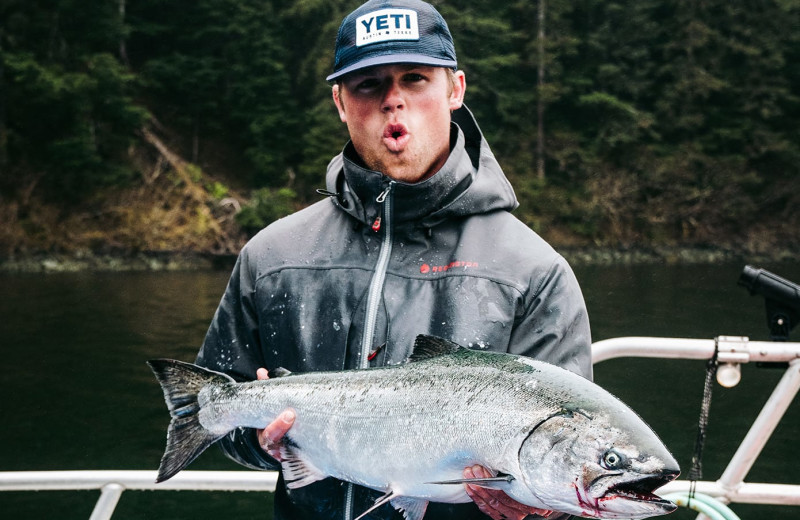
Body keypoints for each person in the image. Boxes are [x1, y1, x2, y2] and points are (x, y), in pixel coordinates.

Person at [196, 0, 592, 518]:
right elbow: (211, 414)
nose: (393, 101)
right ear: (340, 101)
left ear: (455, 90)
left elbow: (572, 459)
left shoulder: (534, 274)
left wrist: (541, 508)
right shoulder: (270, 257)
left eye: (414, 78)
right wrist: (262, 441)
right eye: (368, 84)